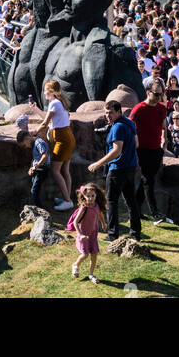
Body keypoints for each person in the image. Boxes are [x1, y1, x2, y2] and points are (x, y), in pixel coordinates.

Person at [88, 98, 142, 242]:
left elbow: (116, 151)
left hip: (118, 169)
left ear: (119, 112)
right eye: (106, 113)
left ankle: (112, 235)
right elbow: (136, 143)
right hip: (130, 168)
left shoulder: (117, 127)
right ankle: (135, 233)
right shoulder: (129, 123)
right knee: (131, 201)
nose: (108, 116)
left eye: (111, 113)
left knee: (111, 201)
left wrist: (98, 164)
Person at [130, 81, 171, 226]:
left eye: (161, 94)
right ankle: (155, 213)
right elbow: (129, 125)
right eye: (157, 94)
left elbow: (164, 126)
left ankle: (136, 209)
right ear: (148, 93)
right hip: (142, 150)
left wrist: (164, 141)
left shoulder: (161, 108)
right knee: (148, 180)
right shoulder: (139, 108)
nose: (160, 97)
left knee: (147, 179)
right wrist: (133, 142)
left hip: (156, 149)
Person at [36, 79, 75, 212]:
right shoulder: (60, 102)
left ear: (52, 91)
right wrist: (35, 108)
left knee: (55, 170)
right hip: (68, 137)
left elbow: (45, 123)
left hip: (62, 140)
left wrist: (34, 131)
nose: (44, 93)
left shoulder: (54, 103)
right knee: (65, 170)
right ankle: (67, 198)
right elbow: (47, 117)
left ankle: (68, 201)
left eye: (46, 90)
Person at [68, 185, 105, 284]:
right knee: (85, 254)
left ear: (96, 195)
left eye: (93, 196)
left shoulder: (96, 206)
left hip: (93, 234)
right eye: (88, 196)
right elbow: (75, 222)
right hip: (83, 235)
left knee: (94, 255)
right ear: (84, 196)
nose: (91, 198)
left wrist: (103, 223)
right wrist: (80, 234)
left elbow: (100, 214)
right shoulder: (84, 208)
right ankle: (76, 265)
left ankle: (91, 274)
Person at [17, 130, 52, 207]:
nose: (25, 147)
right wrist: (31, 168)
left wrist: (36, 166)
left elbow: (44, 156)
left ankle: (39, 210)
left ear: (26, 139)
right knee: (34, 189)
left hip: (42, 170)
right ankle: (36, 205)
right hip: (38, 169)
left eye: (24, 145)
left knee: (34, 191)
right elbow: (35, 158)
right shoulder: (34, 144)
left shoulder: (38, 142)